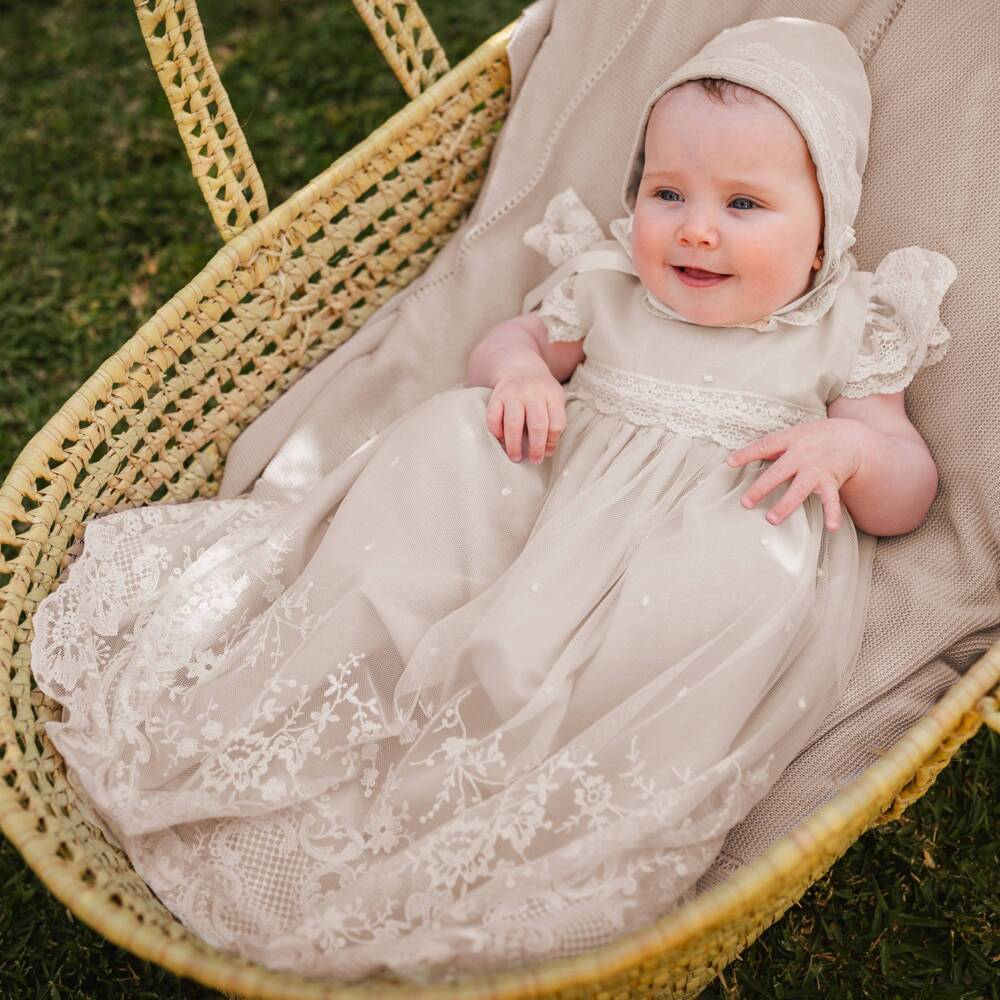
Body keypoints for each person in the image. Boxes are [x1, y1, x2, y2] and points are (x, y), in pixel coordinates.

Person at [30, 15, 956, 985]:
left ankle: (527, 743)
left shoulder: (849, 321)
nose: (694, 226)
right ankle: (347, 664)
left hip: (705, 524)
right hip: (546, 490)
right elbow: (512, 347)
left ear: (826, 228)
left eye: (745, 202)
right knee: (452, 434)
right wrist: (518, 375)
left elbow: (903, 491)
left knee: (737, 576)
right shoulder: (605, 282)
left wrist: (849, 444)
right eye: (666, 189)